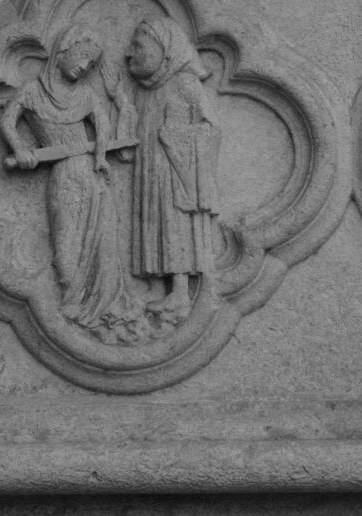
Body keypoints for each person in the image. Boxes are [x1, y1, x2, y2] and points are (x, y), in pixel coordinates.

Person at [0, 24, 136, 332]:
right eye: (83, 56)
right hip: (63, 174)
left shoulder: (86, 94)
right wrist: (20, 148)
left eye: (92, 63)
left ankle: (103, 302)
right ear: (64, 49)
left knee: (104, 239)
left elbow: (101, 125)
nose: (85, 66)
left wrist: (101, 156)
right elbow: (7, 120)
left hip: (91, 172)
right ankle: (72, 297)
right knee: (66, 238)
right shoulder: (33, 91)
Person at [126, 17, 220, 322]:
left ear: (165, 49)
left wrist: (176, 136)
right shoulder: (144, 91)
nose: (129, 53)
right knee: (155, 225)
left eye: (138, 46)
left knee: (175, 225)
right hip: (150, 174)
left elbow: (209, 130)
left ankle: (180, 293)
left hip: (176, 174)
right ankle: (166, 289)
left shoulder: (185, 83)